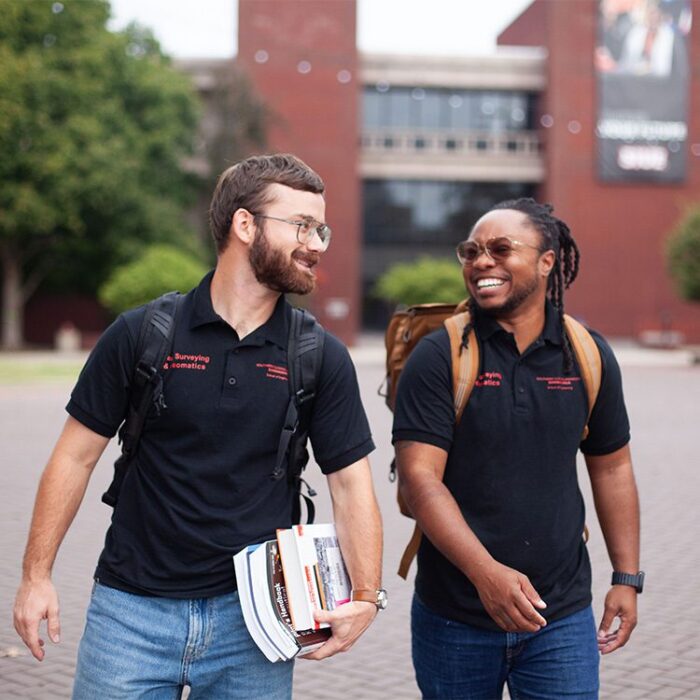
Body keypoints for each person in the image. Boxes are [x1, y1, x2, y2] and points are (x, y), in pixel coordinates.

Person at [14, 153, 384, 699]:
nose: (318, 243)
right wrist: (36, 576)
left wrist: (368, 594)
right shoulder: (142, 334)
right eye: (302, 226)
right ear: (244, 224)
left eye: (321, 227)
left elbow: (351, 483)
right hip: (129, 614)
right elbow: (75, 457)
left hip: (256, 626)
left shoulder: (318, 356)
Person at [393, 198, 641, 699]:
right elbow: (420, 479)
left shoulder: (586, 354)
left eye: (501, 249)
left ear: (547, 261)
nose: (481, 261)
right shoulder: (440, 355)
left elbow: (612, 469)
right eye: (471, 251)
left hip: (559, 617)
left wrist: (627, 576)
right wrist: (486, 575)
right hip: (454, 617)